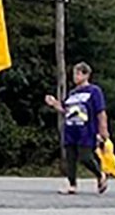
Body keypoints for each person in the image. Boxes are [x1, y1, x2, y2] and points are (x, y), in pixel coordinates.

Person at [45, 62, 109, 195]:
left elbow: (100, 112)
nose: (75, 77)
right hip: (70, 129)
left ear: (86, 75)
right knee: (70, 157)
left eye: (79, 73)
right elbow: (65, 109)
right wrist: (54, 103)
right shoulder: (72, 93)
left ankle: (100, 174)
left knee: (85, 156)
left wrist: (103, 129)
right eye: (75, 73)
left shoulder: (94, 91)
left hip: (86, 129)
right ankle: (72, 184)